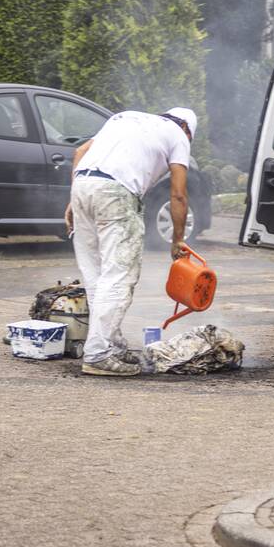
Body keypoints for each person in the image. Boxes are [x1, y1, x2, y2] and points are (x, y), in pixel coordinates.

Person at [65, 107, 196, 377]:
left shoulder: (124, 117)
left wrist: (73, 200)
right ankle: (98, 354)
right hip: (116, 192)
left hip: (83, 185)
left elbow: (79, 153)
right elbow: (179, 194)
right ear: (187, 129)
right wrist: (178, 238)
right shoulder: (178, 135)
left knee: (96, 276)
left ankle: (109, 343)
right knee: (119, 275)